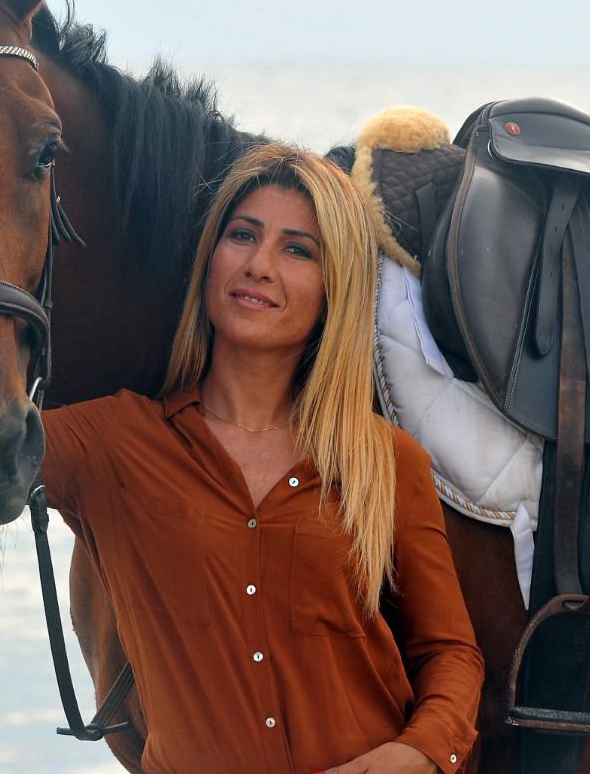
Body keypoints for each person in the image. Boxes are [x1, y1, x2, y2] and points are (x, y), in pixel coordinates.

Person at [42, 143, 484, 774]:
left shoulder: (386, 461)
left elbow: (450, 652)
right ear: (211, 258)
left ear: (335, 287)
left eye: (297, 250)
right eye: (243, 235)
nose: (259, 265)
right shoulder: (110, 443)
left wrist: (420, 750)